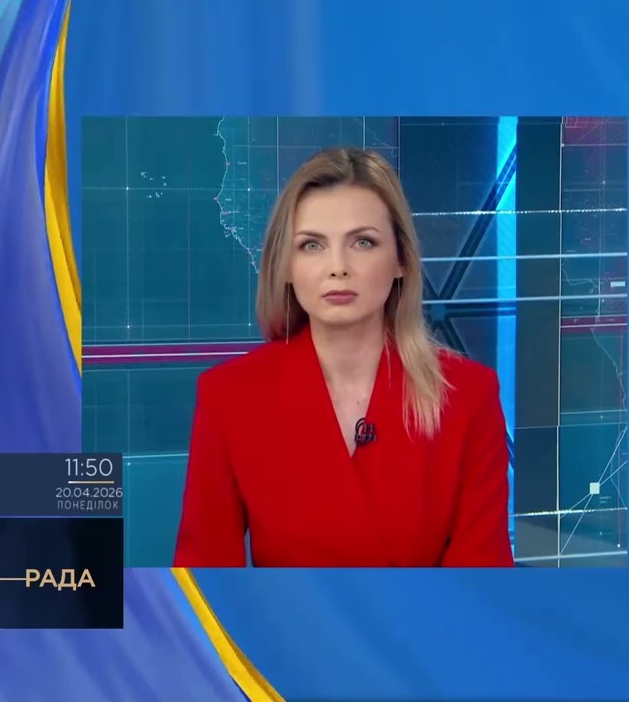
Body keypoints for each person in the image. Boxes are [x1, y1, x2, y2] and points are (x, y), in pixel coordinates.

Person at [173, 148, 513, 568]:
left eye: (363, 242)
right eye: (312, 245)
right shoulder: (230, 396)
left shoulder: (468, 396)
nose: (338, 267)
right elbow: (203, 576)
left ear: (401, 261)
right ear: (285, 266)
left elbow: (481, 580)